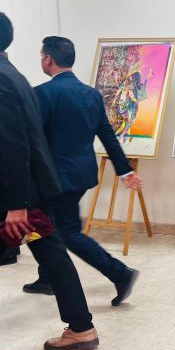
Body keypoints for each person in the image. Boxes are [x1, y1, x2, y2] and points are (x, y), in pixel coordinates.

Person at [0, 12, 99, 350]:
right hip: (29, 192)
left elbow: (13, 144)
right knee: (52, 252)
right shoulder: (13, 75)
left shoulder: (2, 79)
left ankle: (82, 327)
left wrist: (17, 206)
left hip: (17, 198)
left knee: (52, 253)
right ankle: (82, 327)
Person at [23, 36, 142, 308]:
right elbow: (108, 135)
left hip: (55, 179)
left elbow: (33, 140)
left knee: (66, 232)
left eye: (41, 56)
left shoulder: (43, 94)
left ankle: (120, 273)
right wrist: (125, 171)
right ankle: (48, 278)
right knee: (45, 224)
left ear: (48, 59)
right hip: (81, 175)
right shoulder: (91, 94)